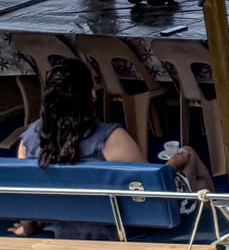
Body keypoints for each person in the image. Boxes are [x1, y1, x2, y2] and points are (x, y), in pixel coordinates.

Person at [10, 58, 210, 238]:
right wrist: (174, 163)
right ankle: (217, 219)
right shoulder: (112, 139)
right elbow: (150, 192)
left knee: (194, 184)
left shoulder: (29, 139)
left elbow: (27, 191)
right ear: (92, 94)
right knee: (190, 158)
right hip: (121, 229)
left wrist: (28, 225)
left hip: (66, 228)